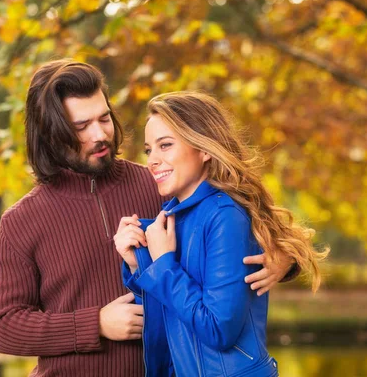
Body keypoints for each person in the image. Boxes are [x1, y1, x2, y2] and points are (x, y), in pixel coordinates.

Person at [0, 60, 298, 377]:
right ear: (52, 134)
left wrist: (283, 258)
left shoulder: (164, 184)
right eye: (81, 127)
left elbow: (246, 225)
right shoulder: (21, 222)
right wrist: (94, 323)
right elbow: (4, 327)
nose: (100, 134)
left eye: (104, 118)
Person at [114, 92, 328, 376]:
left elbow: (218, 329)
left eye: (165, 145)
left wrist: (163, 264)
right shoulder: (171, 220)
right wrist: (137, 263)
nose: (153, 160)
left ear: (204, 149)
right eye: (148, 150)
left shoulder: (225, 215)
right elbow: (172, 322)